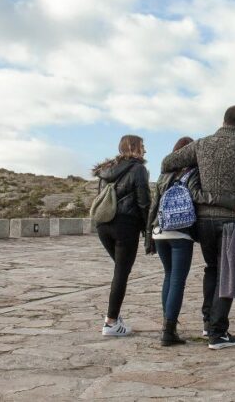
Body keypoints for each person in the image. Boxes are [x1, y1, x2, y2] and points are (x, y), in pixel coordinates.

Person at [160, 105, 235, 350]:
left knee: (212, 269)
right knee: (227, 273)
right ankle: (218, 333)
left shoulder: (202, 144)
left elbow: (167, 162)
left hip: (204, 222)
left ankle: (209, 323)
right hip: (233, 221)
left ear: (224, 121)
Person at [145, 136, 235, 347]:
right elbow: (198, 195)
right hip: (180, 233)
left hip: (159, 231)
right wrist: (227, 201)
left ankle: (168, 326)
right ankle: (168, 331)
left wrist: (148, 235)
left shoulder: (164, 175)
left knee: (168, 278)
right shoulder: (192, 173)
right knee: (178, 282)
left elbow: (154, 205)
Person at [92, 134, 150, 337]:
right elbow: (143, 202)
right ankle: (111, 322)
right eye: (142, 146)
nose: (145, 150)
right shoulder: (138, 169)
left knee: (120, 269)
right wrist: (147, 228)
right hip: (125, 225)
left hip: (102, 224)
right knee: (121, 272)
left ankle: (114, 318)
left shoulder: (106, 170)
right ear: (134, 147)